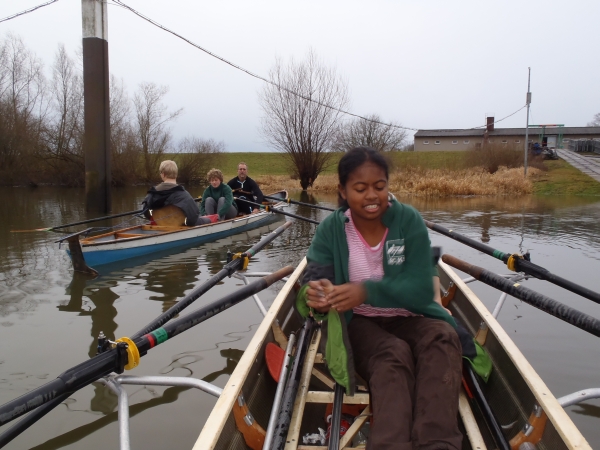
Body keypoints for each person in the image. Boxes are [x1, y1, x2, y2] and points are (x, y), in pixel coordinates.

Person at [296, 147, 462, 450]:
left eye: (380, 186)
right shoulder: (331, 229)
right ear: (343, 191)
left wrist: (366, 289)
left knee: (443, 337)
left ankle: (437, 443)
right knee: (392, 354)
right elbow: (313, 278)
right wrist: (316, 295)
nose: (371, 195)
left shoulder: (408, 220)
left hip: (410, 315)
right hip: (359, 320)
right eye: (360, 188)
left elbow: (422, 287)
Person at [142, 160, 214, 226]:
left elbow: (146, 212)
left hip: (160, 225)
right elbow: (193, 218)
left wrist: (158, 221)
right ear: (176, 174)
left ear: (163, 174)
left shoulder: (152, 193)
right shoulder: (184, 195)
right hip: (178, 226)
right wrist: (184, 224)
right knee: (207, 220)